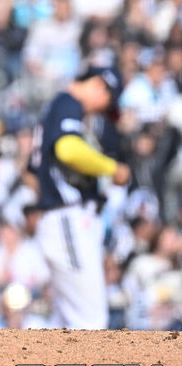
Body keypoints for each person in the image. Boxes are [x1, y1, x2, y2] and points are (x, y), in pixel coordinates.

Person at [28, 65, 131, 328]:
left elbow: (30, 171)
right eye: (108, 102)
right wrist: (113, 168)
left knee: (66, 323)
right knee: (91, 322)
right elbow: (68, 149)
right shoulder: (68, 101)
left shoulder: (55, 109)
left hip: (64, 219)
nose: (103, 111)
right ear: (100, 84)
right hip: (69, 218)